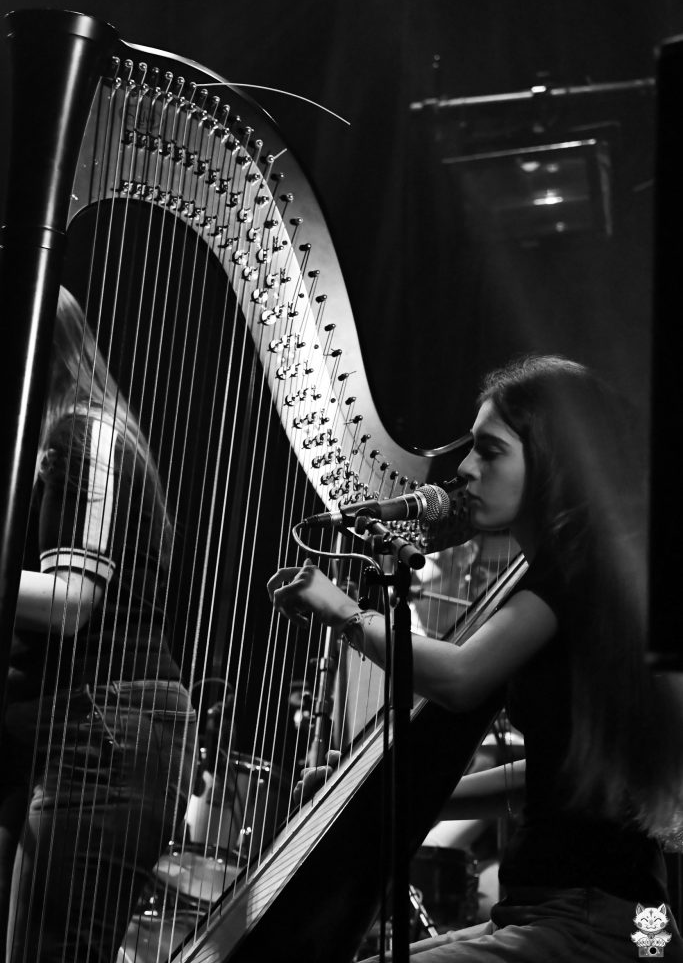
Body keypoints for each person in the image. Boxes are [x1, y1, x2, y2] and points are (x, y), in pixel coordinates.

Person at [268, 353, 683, 962]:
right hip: (569, 915)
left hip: (598, 924)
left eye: (490, 452)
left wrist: (346, 615)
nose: (463, 469)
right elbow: (553, 780)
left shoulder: (579, 572)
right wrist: (393, 791)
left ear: (556, 462)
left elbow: (461, 678)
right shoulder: (575, 574)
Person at [0, 287, 196, 963]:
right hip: (79, 727)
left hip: (105, 731)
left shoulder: (83, 435)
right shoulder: (61, 441)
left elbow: (67, 602)